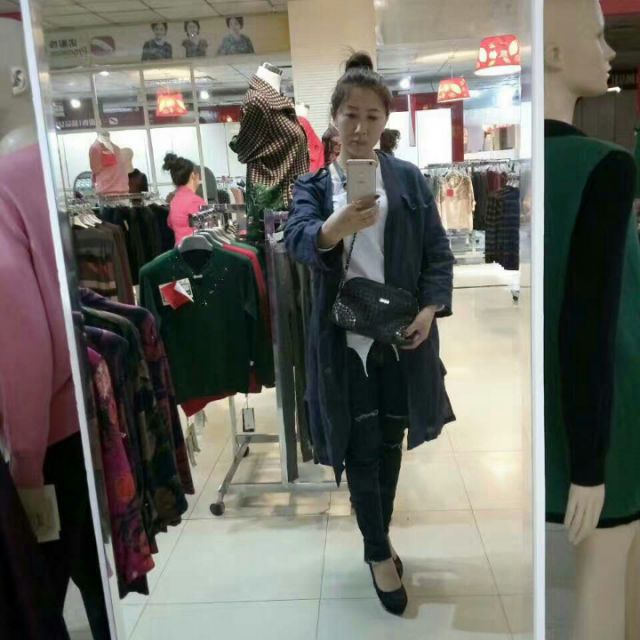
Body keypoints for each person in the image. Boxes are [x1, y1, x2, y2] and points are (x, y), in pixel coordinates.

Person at [285, 52, 455, 616]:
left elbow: (437, 254)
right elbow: (297, 239)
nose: (360, 128)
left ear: (386, 121)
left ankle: (378, 535)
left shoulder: (408, 180)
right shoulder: (314, 185)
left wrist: (429, 310)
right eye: (350, 115)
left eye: (372, 117)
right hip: (344, 339)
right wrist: (334, 227)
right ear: (334, 118)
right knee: (359, 443)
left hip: (402, 333)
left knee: (389, 438)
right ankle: (379, 551)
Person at [163, 153, 205, 245]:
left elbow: (170, 223)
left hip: (179, 249)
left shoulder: (174, 200)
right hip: (195, 249)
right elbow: (207, 232)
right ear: (193, 175)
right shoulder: (195, 201)